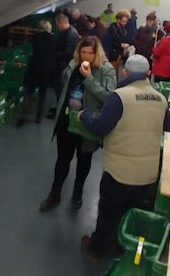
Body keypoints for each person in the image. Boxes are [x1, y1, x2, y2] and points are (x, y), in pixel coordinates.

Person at [77, 54, 170, 260]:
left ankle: (96, 249)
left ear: (124, 72)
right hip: (146, 174)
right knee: (130, 211)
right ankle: (121, 246)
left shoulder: (120, 97)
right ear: (148, 73)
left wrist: (84, 115)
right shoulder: (160, 98)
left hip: (119, 172)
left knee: (108, 212)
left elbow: (100, 127)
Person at [39, 36, 116, 212]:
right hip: (67, 120)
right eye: (83, 52)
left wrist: (89, 78)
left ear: (97, 53)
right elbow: (64, 81)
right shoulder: (74, 63)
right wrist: (71, 68)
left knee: (84, 161)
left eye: (90, 53)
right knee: (62, 160)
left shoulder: (106, 69)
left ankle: (77, 193)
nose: (86, 56)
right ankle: (55, 193)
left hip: (88, 122)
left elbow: (109, 97)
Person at [19, 20, 56, 125]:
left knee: (29, 92)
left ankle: (24, 114)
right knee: (42, 94)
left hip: (34, 67)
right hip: (46, 69)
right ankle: (38, 118)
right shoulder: (54, 38)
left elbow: (29, 46)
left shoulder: (35, 37)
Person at [46, 14, 81, 119]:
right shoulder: (70, 31)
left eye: (57, 24)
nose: (57, 27)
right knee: (59, 89)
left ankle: (60, 112)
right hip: (62, 65)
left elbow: (68, 53)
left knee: (61, 90)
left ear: (61, 23)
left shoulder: (70, 34)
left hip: (63, 66)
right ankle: (58, 107)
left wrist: (53, 53)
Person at [101, 9, 130, 76]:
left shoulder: (122, 28)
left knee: (116, 71)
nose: (125, 23)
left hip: (118, 53)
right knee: (112, 72)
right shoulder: (112, 28)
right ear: (118, 19)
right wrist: (121, 45)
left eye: (126, 21)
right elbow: (110, 41)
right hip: (112, 53)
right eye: (123, 21)